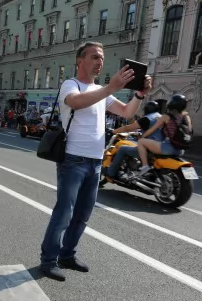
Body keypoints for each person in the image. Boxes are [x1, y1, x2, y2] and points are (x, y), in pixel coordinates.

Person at [39, 41, 152, 281]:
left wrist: (139, 94)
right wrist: (110, 88)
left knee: (83, 214)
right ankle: (48, 260)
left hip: (95, 161)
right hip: (73, 160)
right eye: (94, 57)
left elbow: (127, 112)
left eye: (101, 58)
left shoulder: (102, 91)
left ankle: (67, 255)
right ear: (80, 60)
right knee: (64, 213)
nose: (99, 61)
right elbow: (76, 102)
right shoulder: (71, 85)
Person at [106, 101, 162, 181]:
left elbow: (127, 128)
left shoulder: (147, 118)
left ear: (146, 109)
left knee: (122, 149)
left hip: (149, 148)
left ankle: (111, 173)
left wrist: (113, 132)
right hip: (160, 146)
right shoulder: (160, 116)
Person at [136, 94, 190, 175]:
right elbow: (189, 131)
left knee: (141, 142)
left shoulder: (166, 117)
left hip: (168, 147)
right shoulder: (186, 117)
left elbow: (151, 130)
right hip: (180, 150)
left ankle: (145, 166)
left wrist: (141, 136)